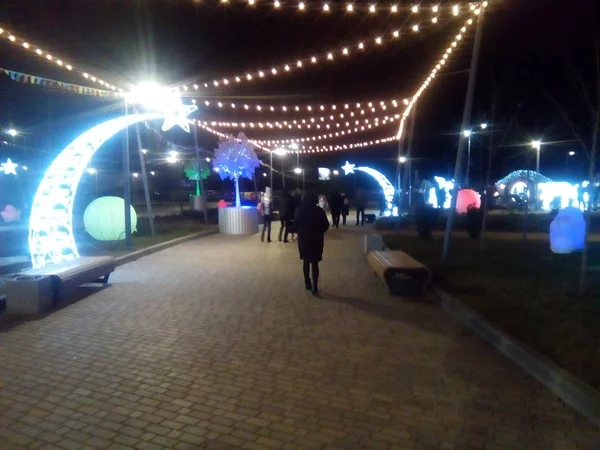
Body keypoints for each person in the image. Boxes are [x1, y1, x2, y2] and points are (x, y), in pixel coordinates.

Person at [294, 191, 329, 296]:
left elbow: (296, 224)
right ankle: (315, 286)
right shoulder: (319, 211)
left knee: (305, 261)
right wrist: (319, 231)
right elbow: (325, 225)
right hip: (316, 239)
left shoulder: (299, 210)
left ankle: (307, 282)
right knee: (314, 263)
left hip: (304, 239)